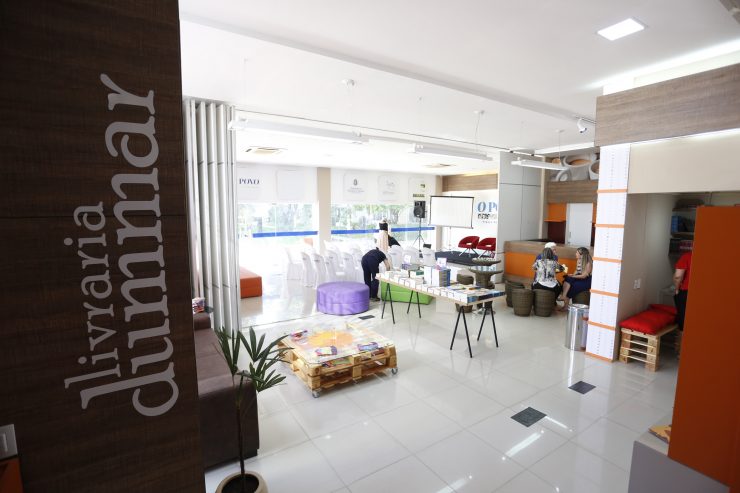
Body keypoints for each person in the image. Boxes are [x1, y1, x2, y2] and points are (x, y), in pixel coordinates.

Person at [673, 251, 692, 330]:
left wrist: (676, 289)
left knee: (683, 319)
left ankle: (682, 335)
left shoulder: (687, 256)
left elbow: (678, 276)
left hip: (686, 292)